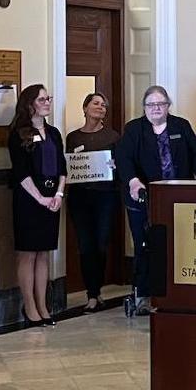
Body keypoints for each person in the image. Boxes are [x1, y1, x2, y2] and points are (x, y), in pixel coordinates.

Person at [115, 85, 196, 316]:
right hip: (144, 198)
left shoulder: (181, 126)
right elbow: (124, 158)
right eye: (151, 104)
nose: (156, 108)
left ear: (168, 106)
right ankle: (144, 295)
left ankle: (180, 293)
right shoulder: (134, 129)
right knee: (145, 246)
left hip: (178, 196)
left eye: (161, 104)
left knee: (180, 244)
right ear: (144, 107)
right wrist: (134, 181)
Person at [8, 85, 67, 327]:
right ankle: (29, 306)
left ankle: (43, 306)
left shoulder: (53, 132)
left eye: (48, 98)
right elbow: (20, 172)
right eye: (42, 99)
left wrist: (59, 194)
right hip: (29, 199)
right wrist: (40, 198)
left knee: (44, 253)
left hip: (53, 197)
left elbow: (62, 167)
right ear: (30, 103)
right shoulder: (19, 133)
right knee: (28, 253)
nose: (47, 102)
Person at [65, 92, 120, 313]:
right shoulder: (73, 138)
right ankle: (92, 294)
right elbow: (68, 165)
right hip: (80, 197)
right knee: (85, 246)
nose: (100, 107)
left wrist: (115, 166)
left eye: (103, 105)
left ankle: (97, 291)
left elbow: (120, 166)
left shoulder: (113, 137)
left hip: (105, 195)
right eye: (95, 103)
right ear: (85, 108)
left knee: (100, 243)